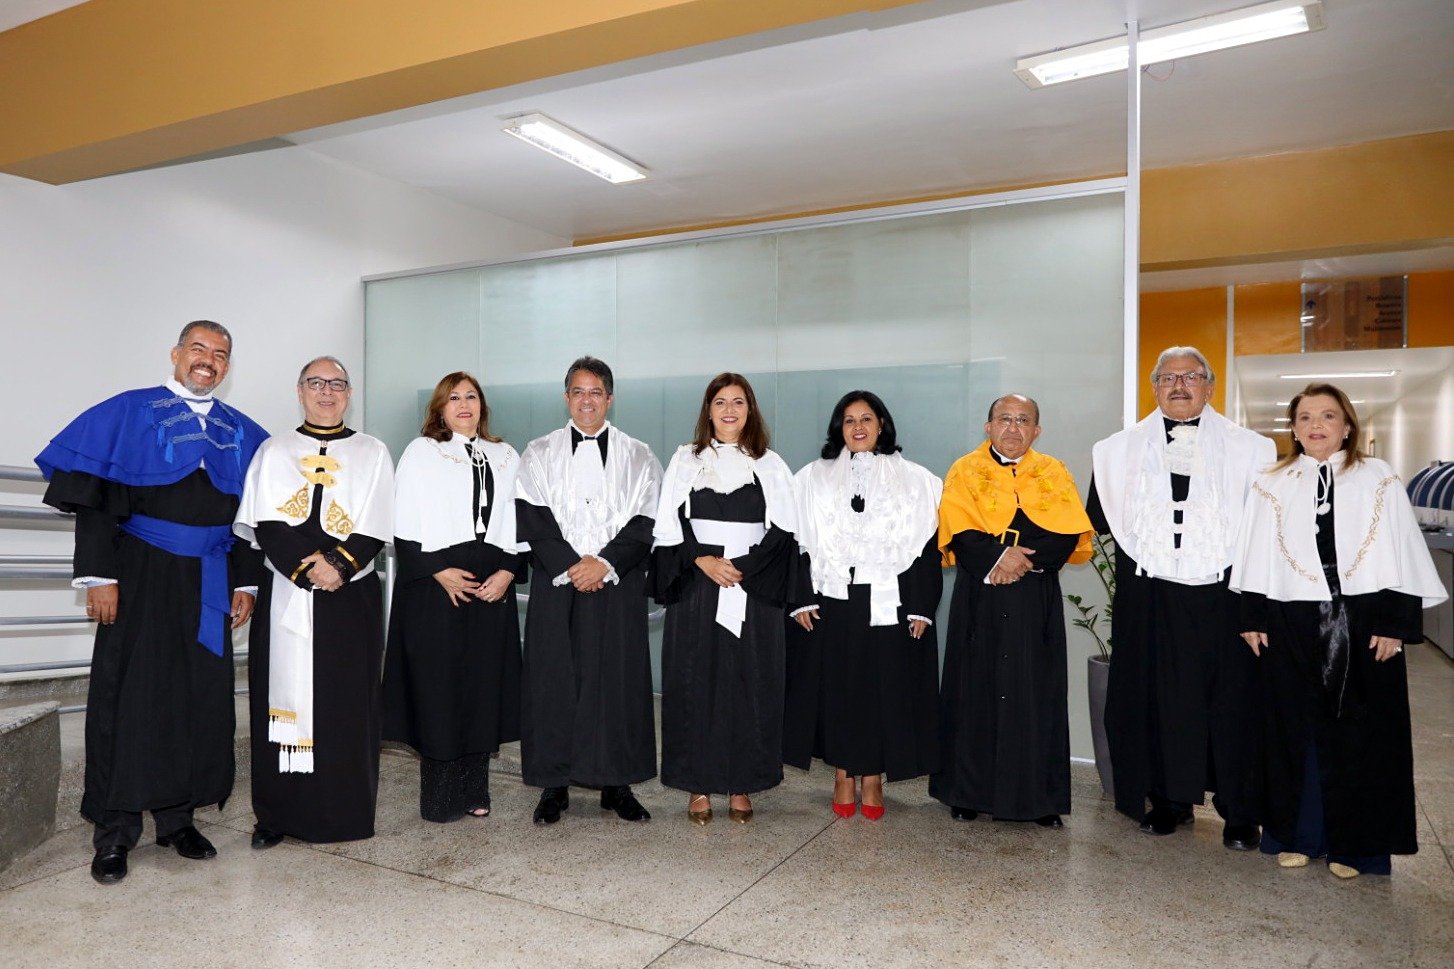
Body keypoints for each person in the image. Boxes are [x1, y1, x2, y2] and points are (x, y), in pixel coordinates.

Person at [34, 320, 268, 885]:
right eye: (198, 349)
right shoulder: (129, 412)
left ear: (228, 366)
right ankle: (114, 832)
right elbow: (97, 503)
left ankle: (176, 819)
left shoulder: (244, 431)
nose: (208, 360)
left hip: (210, 579)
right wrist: (98, 577)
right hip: (139, 575)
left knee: (196, 700)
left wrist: (245, 582)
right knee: (129, 699)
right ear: (176, 353)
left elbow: (248, 522)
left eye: (220, 354)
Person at [1232, 384, 1446, 878]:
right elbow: (1253, 553)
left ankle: (1356, 846)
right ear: (1293, 428)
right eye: (1305, 417)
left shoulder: (1379, 477)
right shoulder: (1272, 480)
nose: (1316, 425)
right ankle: (1296, 835)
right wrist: (1252, 617)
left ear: (1347, 425)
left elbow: (1401, 551)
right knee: (1293, 730)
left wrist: (1395, 623)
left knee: (1362, 734)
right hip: (1290, 619)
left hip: (1365, 620)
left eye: (1328, 416)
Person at [1088, 346, 1275, 848]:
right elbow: (1099, 521)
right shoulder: (1115, 452)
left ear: (1209, 387)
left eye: (1190, 376)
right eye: (1167, 377)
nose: (1178, 385)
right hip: (1151, 595)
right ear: (1154, 388)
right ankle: (1169, 800)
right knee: (1162, 698)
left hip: (1225, 592)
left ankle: (1239, 811)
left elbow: (1267, 530)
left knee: (1232, 701)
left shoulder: (1253, 450)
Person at [234, 356, 394, 846]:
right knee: (278, 705)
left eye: (338, 384)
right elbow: (265, 524)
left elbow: (377, 519)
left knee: (347, 706)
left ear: (350, 393)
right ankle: (277, 815)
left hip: (351, 598)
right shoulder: (273, 451)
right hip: (288, 591)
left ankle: (345, 814)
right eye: (317, 383)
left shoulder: (373, 452)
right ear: (300, 390)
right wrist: (306, 569)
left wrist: (339, 566)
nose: (327, 392)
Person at [929, 394, 1093, 828]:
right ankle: (966, 792)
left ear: (1037, 431)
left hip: (1033, 599)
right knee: (973, 689)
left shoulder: (1053, 472)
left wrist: (1022, 560)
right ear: (988, 427)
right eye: (1005, 419)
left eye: (1024, 421)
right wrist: (998, 560)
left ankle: (1039, 799)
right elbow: (959, 530)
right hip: (979, 596)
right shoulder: (964, 470)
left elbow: (1067, 533)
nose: (1013, 428)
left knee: (1035, 692)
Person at [514, 356, 662, 825]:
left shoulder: (640, 455)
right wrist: (573, 566)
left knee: (615, 683)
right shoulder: (537, 453)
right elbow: (532, 518)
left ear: (610, 398)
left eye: (596, 392)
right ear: (566, 398)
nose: (587, 400)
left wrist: (604, 563)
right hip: (558, 584)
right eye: (578, 392)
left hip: (616, 585)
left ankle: (616, 785)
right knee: (554, 682)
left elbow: (645, 522)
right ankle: (553, 786)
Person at [783, 391, 943, 819]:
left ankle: (872, 777)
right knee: (839, 688)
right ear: (839, 428)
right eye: (848, 419)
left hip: (891, 602)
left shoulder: (917, 479)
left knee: (882, 689)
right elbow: (794, 543)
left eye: (866, 418)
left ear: (882, 425)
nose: (857, 427)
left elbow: (926, 547)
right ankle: (842, 773)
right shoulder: (810, 478)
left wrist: (922, 606)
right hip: (832, 600)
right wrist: (799, 598)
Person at [653, 373, 798, 824]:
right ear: (708, 410)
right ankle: (698, 784)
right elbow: (669, 521)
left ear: (750, 410)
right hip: (698, 585)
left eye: (738, 402)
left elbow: (785, 530)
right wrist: (703, 561)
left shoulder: (770, 464)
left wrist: (743, 567)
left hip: (752, 587)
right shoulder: (685, 460)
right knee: (696, 681)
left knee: (749, 681)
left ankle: (742, 783)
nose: (729, 410)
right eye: (720, 402)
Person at [383, 372, 523, 822]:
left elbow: (522, 520)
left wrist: (508, 572)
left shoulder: (505, 455)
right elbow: (401, 520)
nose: (464, 404)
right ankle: (441, 797)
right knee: (440, 689)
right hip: (435, 583)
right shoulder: (423, 451)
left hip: (491, 583)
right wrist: (437, 571)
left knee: (483, 686)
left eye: (472, 396)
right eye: (454, 397)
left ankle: (476, 789)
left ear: (483, 405)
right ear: (440, 408)